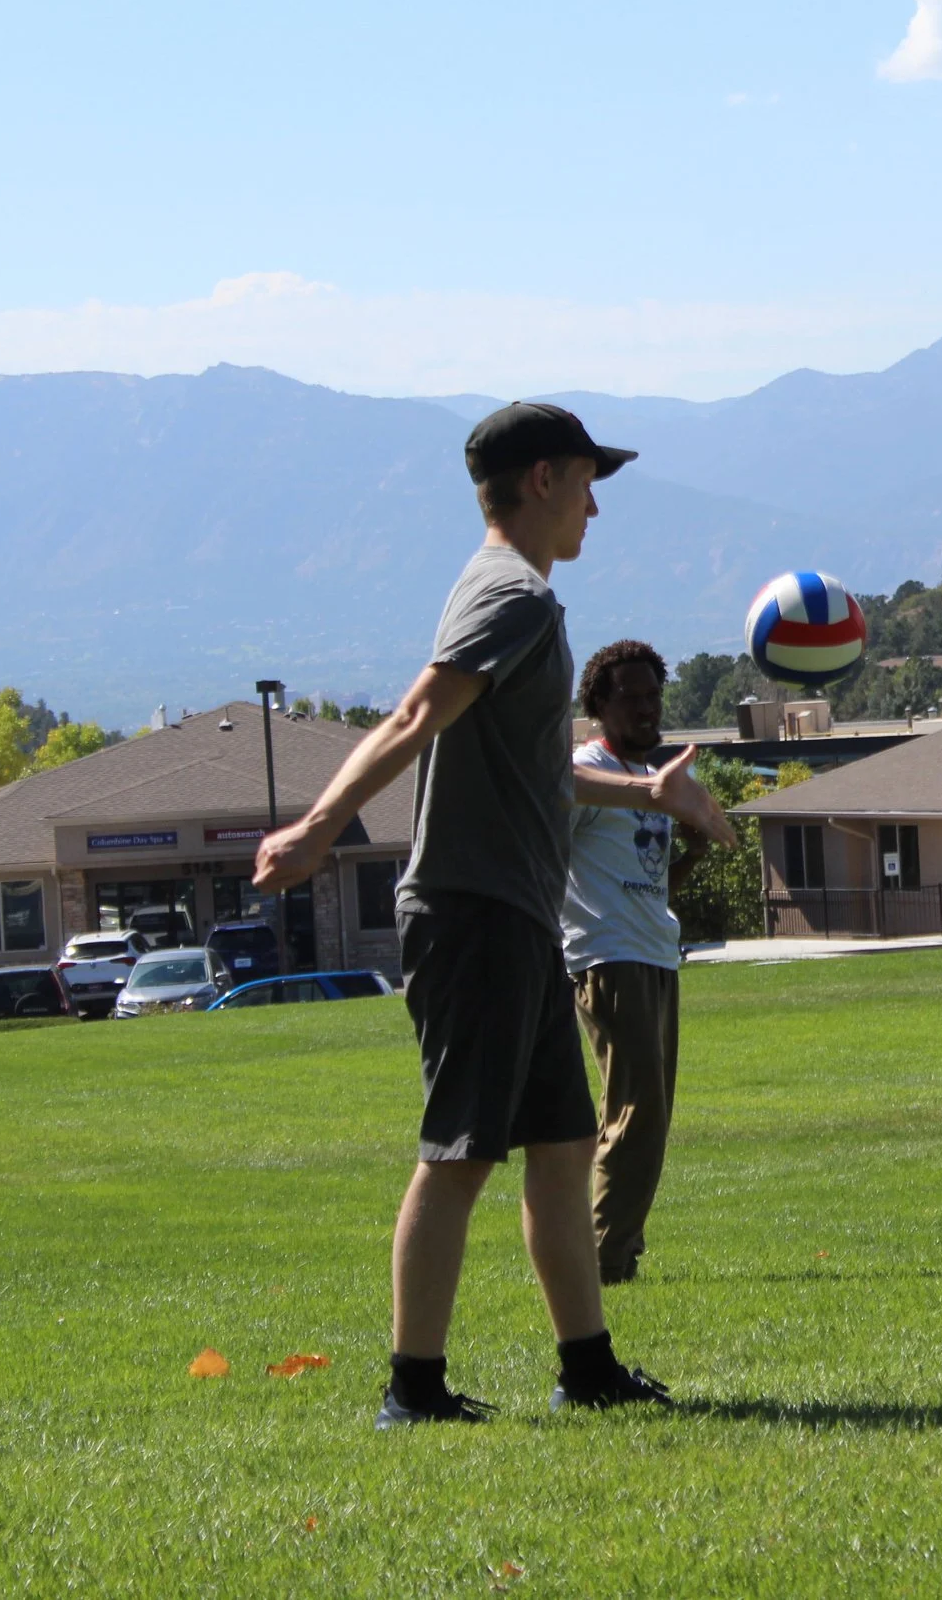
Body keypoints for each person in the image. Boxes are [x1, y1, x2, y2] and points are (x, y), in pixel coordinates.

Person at [253, 402, 737, 1427]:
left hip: (518, 916)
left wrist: (644, 793)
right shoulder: (515, 596)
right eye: (587, 481)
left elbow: (538, 773)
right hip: (471, 910)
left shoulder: (515, 599)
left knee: (562, 1142)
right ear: (544, 479)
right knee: (462, 1149)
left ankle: (587, 1364)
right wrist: (317, 827)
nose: (597, 506)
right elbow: (417, 715)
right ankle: (413, 1387)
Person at [563, 639, 707, 1285]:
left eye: (654, 695)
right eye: (632, 697)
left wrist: (696, 849)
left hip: (655, 953)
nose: (648, 708)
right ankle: (601, 1263)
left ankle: (620, 1247)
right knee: (634, 1113)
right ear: (599, 704)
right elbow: (548, 857)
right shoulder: (587, 772)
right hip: (607, 956)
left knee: (647, 1114)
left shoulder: (657, 778)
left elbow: (645, 878)